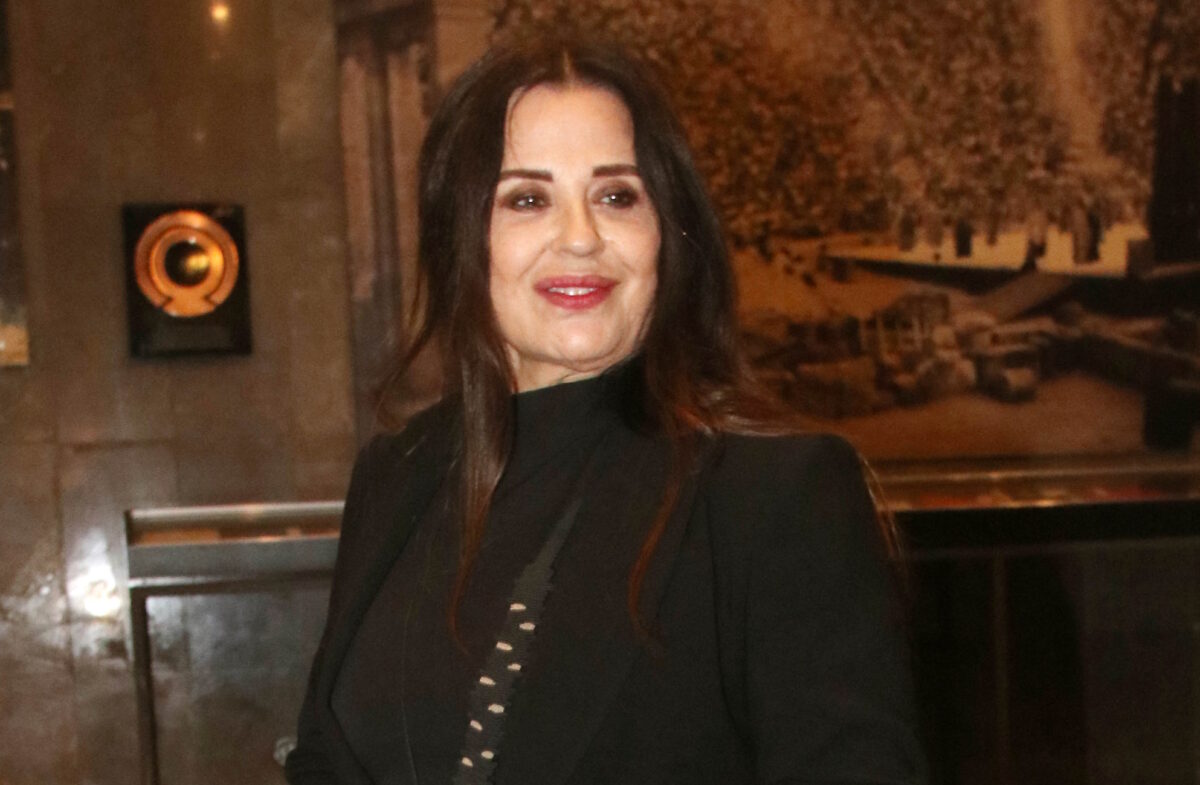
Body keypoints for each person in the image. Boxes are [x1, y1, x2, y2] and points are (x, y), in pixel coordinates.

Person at [286, 37, 925, 785]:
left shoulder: (775, 496)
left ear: (668, 234)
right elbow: (324, 757)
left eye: (617, 196)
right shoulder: (397, 475)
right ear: (461, 236)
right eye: (528, 199)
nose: (581, 237)